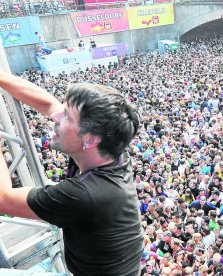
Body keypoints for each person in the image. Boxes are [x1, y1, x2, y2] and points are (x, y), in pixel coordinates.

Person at [0, 71, 144, 275]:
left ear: (90, 140)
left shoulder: (85, 194)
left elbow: (3, 198)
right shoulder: (108, 150)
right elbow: (49, 105)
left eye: (67, 116)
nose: (57, 116)